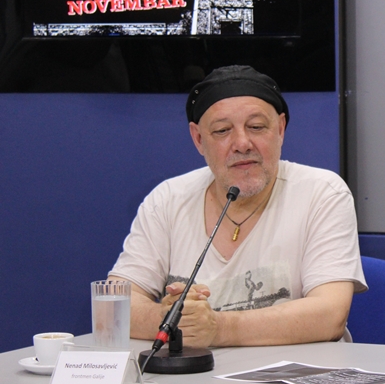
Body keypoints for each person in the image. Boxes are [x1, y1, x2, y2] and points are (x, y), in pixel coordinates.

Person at [108, 65, 366, 347]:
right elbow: (113, 305)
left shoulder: (322, 193)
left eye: (256, 127)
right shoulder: (167, 200)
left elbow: (330, 315)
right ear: (198, 139)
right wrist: (170, 317)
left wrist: (219, 328)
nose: (242, 143)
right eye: (222, 131)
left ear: (280, 129)